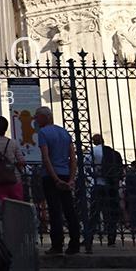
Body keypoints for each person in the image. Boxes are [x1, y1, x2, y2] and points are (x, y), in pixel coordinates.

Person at [33, 106, 80, 255]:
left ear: (45, 117)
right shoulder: (64, 132)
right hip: (66, 175)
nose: (35, 119)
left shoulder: (43, 133)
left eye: (37, 116)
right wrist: (71, 179)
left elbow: (46, 158)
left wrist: (55, 179)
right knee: (69, 209)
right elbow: (73, 158)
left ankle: (57, 245)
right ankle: (75, 243)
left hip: (51, 176)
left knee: (54, 211)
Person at [83, 134, 124, 248]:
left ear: (93, 141)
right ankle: (111, 239)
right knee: (111, 213)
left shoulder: (93, 151)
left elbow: (86, 165)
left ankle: (89, 238)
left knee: (94, 213)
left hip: (98, 184)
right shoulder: (112, 152)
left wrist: (93, 174)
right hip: (111, 185)